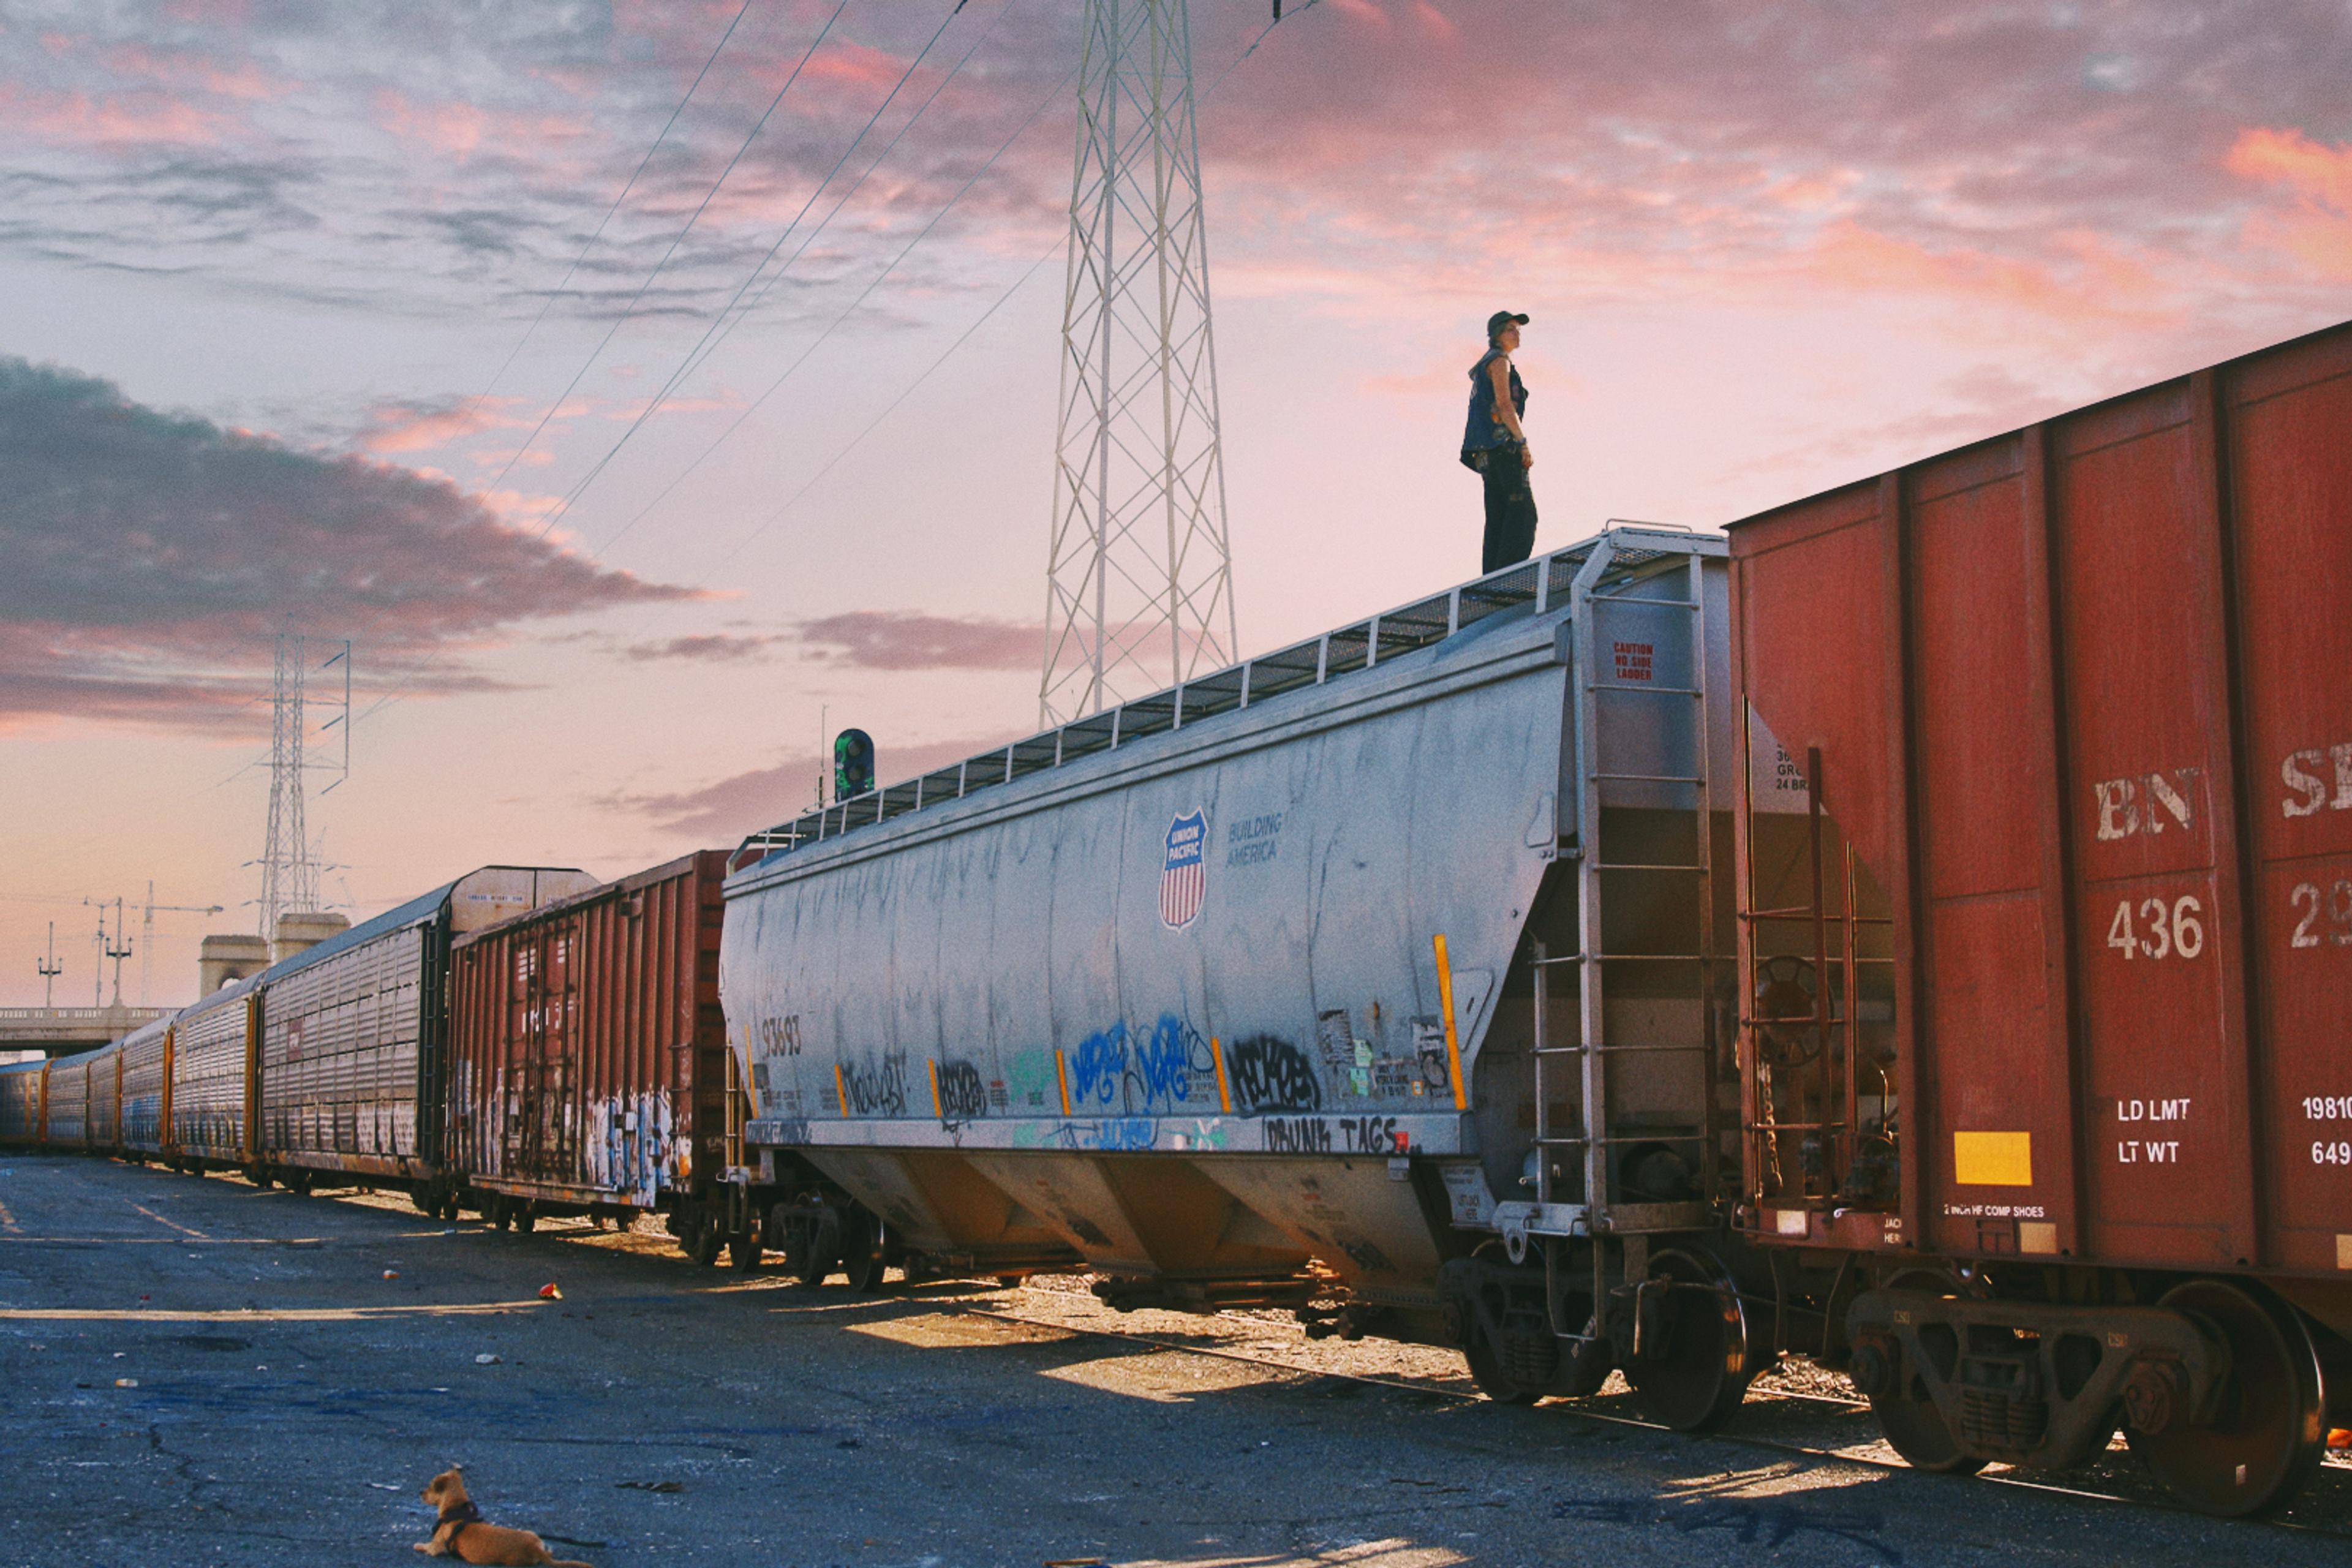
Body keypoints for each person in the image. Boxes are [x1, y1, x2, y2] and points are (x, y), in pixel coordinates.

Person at [1460, 309, 1536, 573]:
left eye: (1518, 330)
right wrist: (1522, 442)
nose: (1516, 334)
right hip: (1502, 448)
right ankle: (1507, 576)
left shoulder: (1485, 365)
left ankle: (1491, 578)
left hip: (1485, 454)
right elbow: (1505, 405)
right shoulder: (1499, 362)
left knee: (1498, 516)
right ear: (1496, 335)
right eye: (1510, 329)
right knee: (1523, 514)